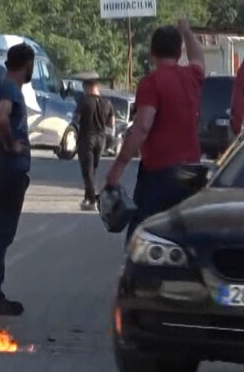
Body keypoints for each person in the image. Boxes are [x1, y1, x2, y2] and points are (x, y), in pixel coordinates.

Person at [105, 19, 204, 239]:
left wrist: (118, 167)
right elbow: (198, 58)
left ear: (152, 52)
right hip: (191, 171)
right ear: (179, 52)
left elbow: (142, 127)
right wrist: (186, 31)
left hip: (159, 174)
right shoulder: (192, 77)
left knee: (142, 237)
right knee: (182, 236)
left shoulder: (152, 83)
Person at [0, 43, 34, 316]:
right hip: (9, 171)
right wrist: (12, 145)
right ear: (27, 65)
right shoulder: (11, 89)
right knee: (2, 233)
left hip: (1, 170)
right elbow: (2, 118)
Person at [74, 78, 116, 211]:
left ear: (89, 87)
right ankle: (87, 197)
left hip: (87, 138)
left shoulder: (84, 101)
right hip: (101, 139)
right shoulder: (107, 102)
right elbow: (112, 123)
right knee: (93, 170)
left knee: (88, 171)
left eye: (84, 87)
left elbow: (77, 119)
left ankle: (92, 200)